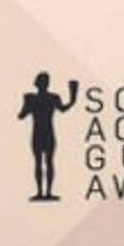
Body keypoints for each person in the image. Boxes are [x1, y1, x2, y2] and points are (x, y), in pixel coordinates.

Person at [17, 72, 79, 200]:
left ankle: (45, 192)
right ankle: (43, 192)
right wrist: (72, 99)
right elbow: (21, 116)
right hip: (44, 133)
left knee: (44, 162)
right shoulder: (43, 98)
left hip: (42, 133)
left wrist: (73, 99)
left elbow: (21, 115)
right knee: (44, 162)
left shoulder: (41, 98)